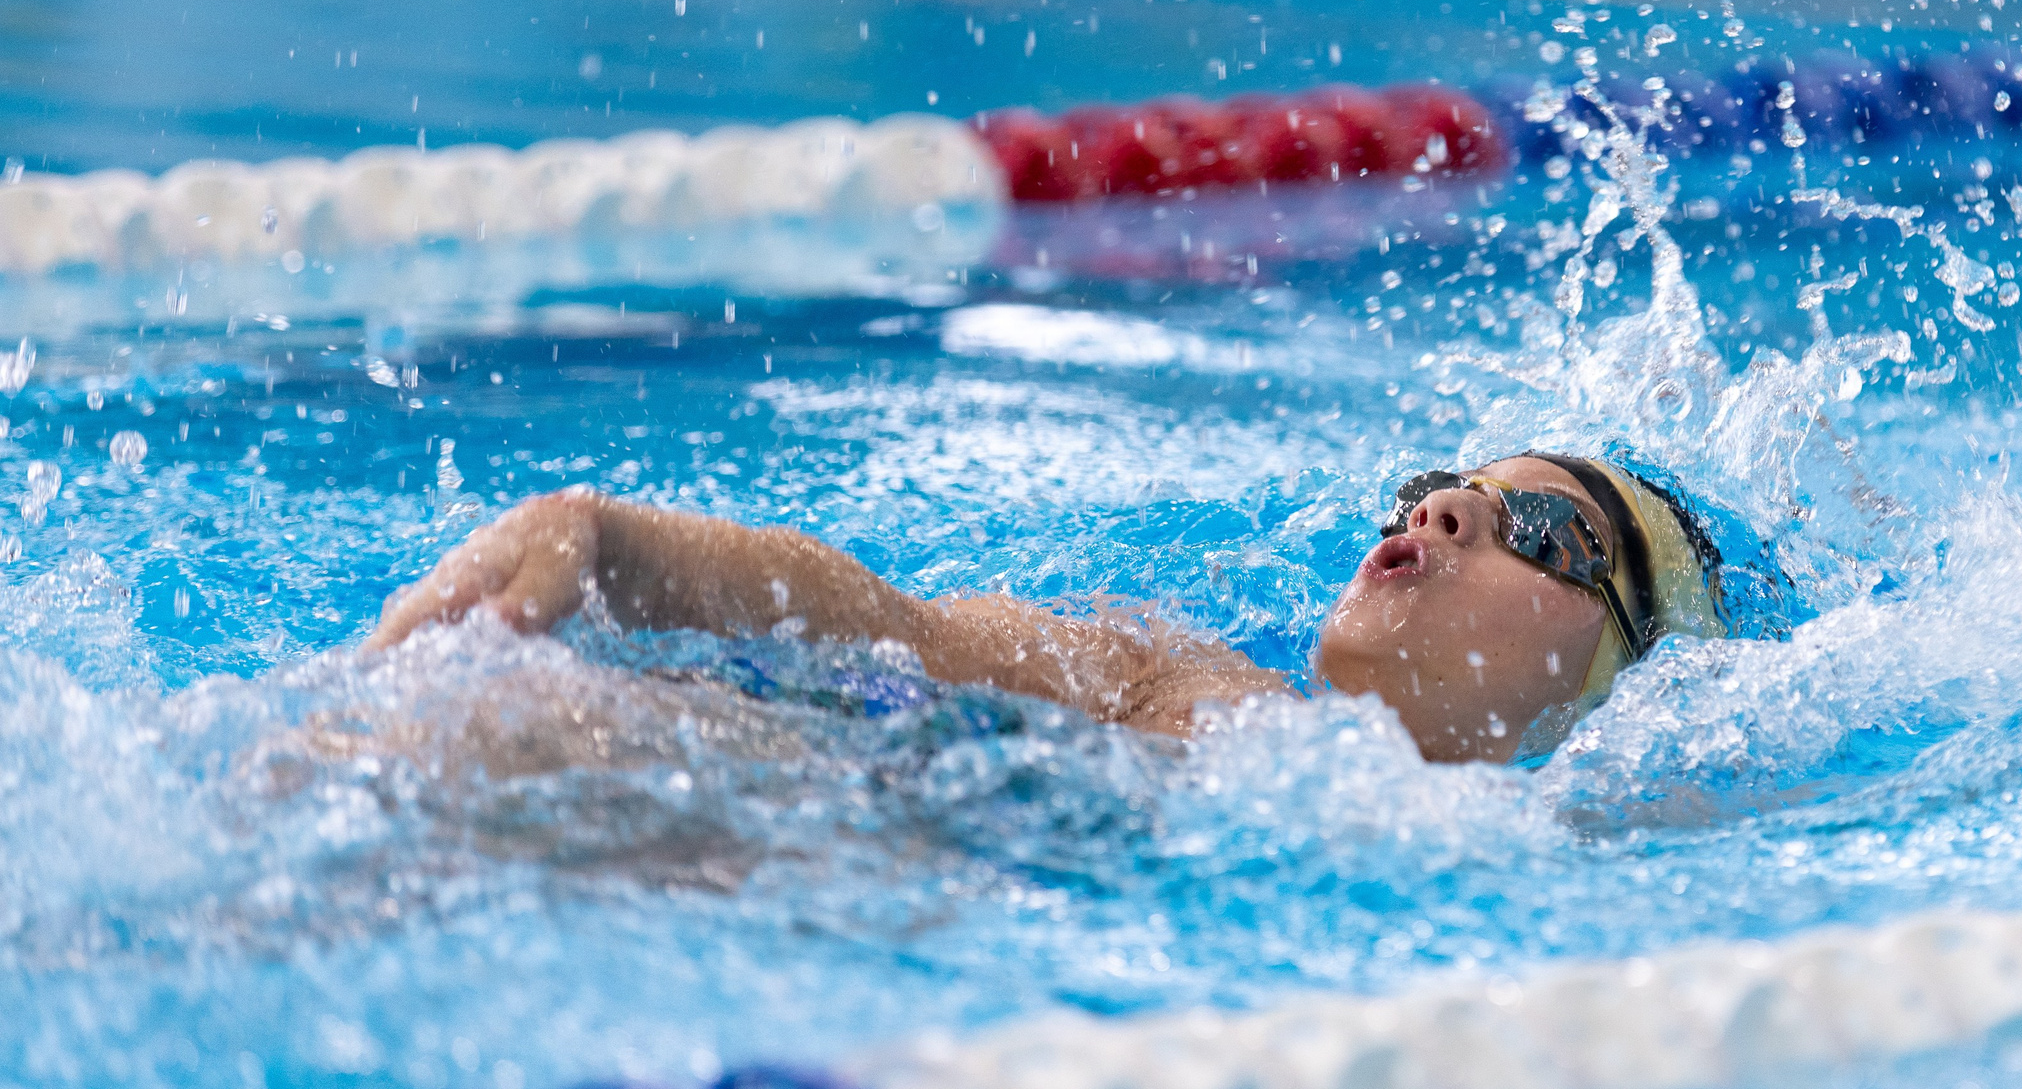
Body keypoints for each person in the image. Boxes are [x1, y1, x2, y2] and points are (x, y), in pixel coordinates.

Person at [367, 453, 1732, 766]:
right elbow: (880, 619)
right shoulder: (1177, 683)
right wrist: (607, 541)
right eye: (1440, 485)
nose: (1438, 514)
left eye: (1544, 530)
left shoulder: (1590, 856)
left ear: (1628, 672)